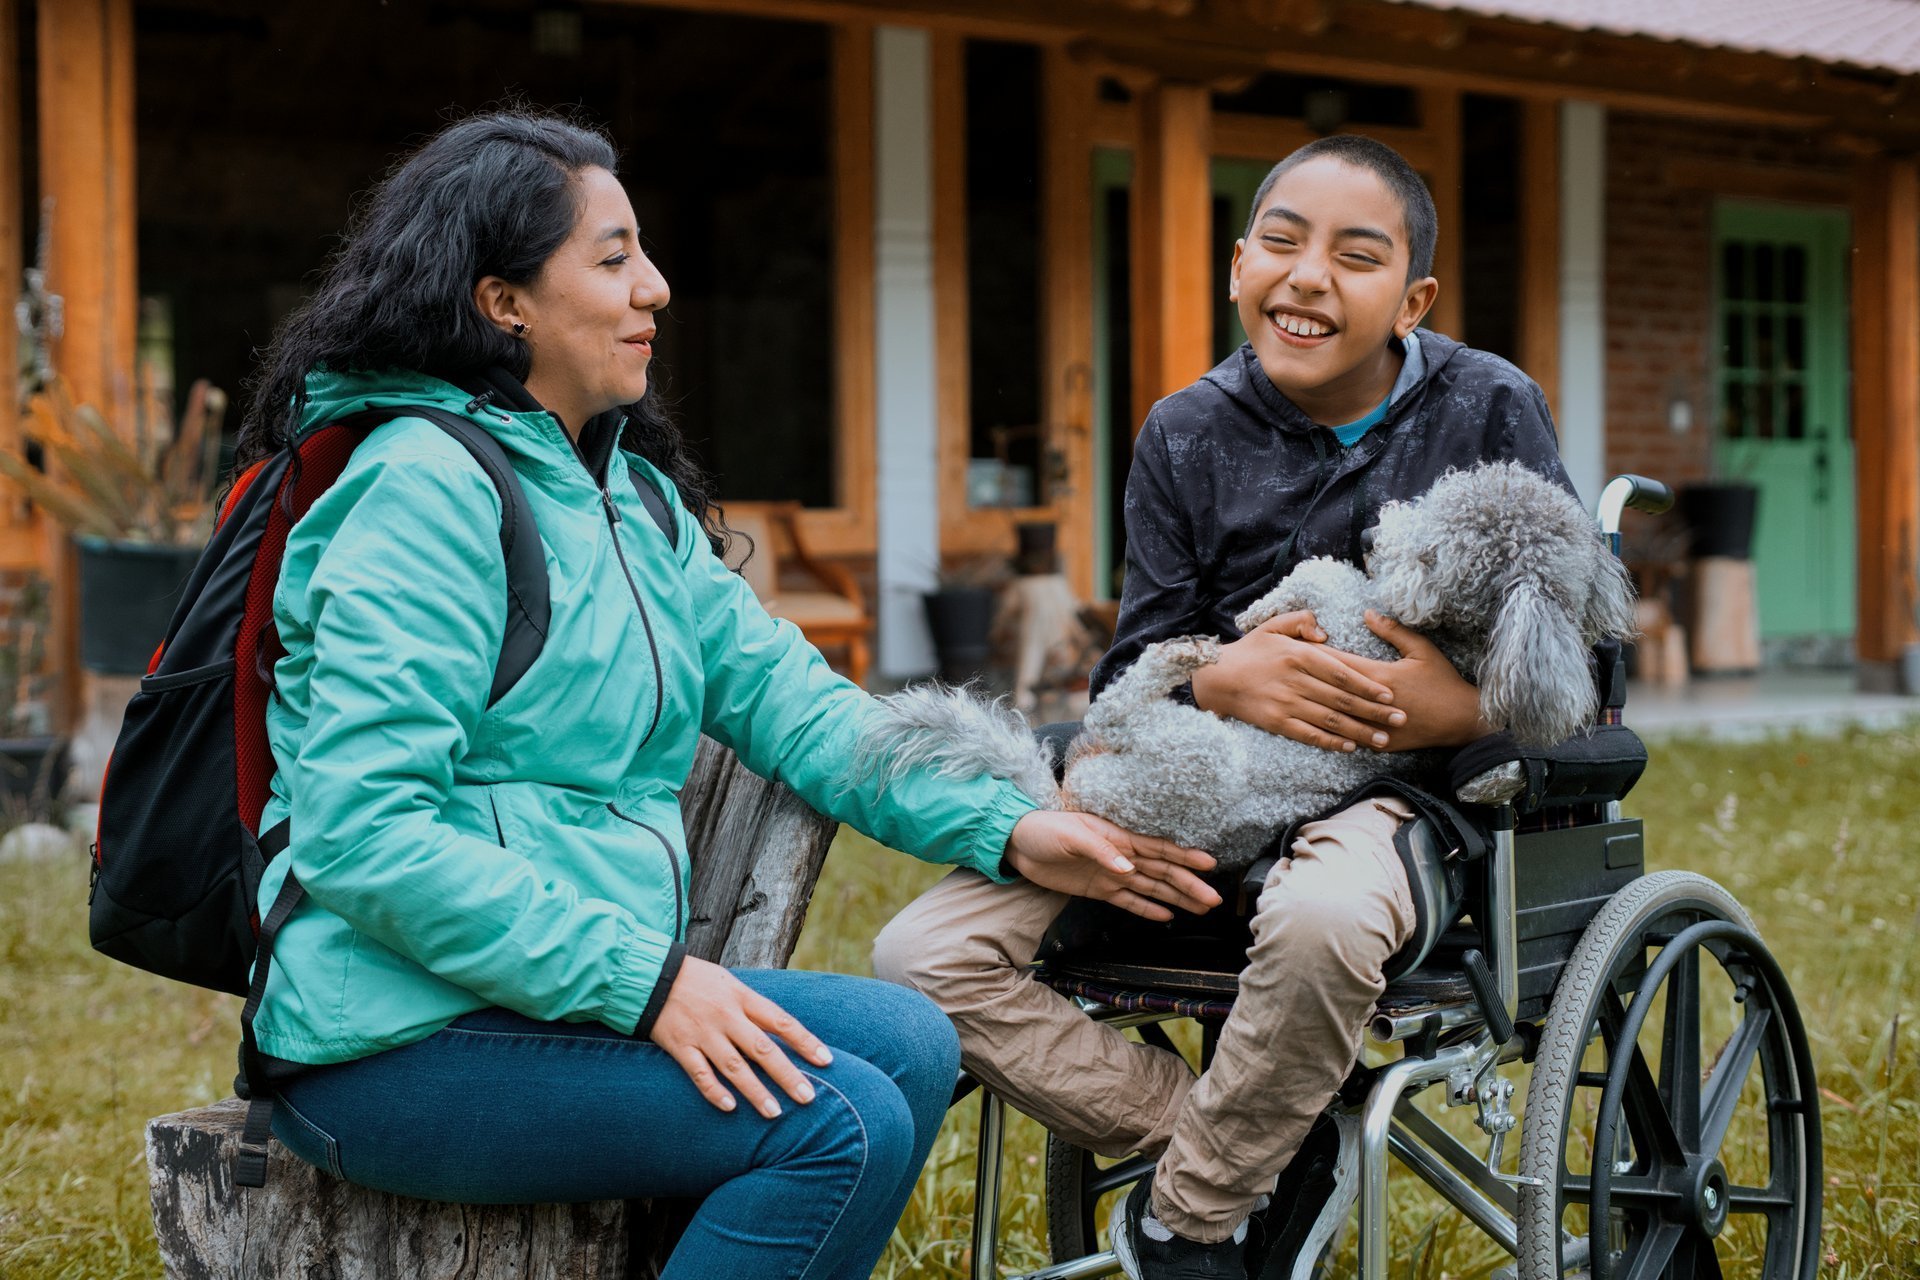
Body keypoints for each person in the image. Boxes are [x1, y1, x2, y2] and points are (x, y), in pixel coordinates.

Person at [239, 110, 1221, 1280]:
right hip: (391, 1036)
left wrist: (1010, 823)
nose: (654, 286)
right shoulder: (420, 493)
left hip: (546, 1000)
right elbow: (366, 834)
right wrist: (646, 984)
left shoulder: (628, 502)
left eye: (641, 251)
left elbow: (804, 710)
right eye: (611, 259)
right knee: (839, 1127)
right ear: (504, 302)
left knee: (910, 1037)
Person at [874, 135, 1578, 1280]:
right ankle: (1257, 1139)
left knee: (1321, 922)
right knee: (921, 953)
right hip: (1199, 777)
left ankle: (1192, 1212)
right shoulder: (1185, 429)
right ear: (1238, 262)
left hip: (1402, 797)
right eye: (1283, 244)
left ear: (1414, 298)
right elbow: (1136, 665)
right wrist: (1216, 674)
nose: (1309, 278)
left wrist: (1450, 705)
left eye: (1356, 257)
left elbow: (1579, 665)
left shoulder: (1489, 406)